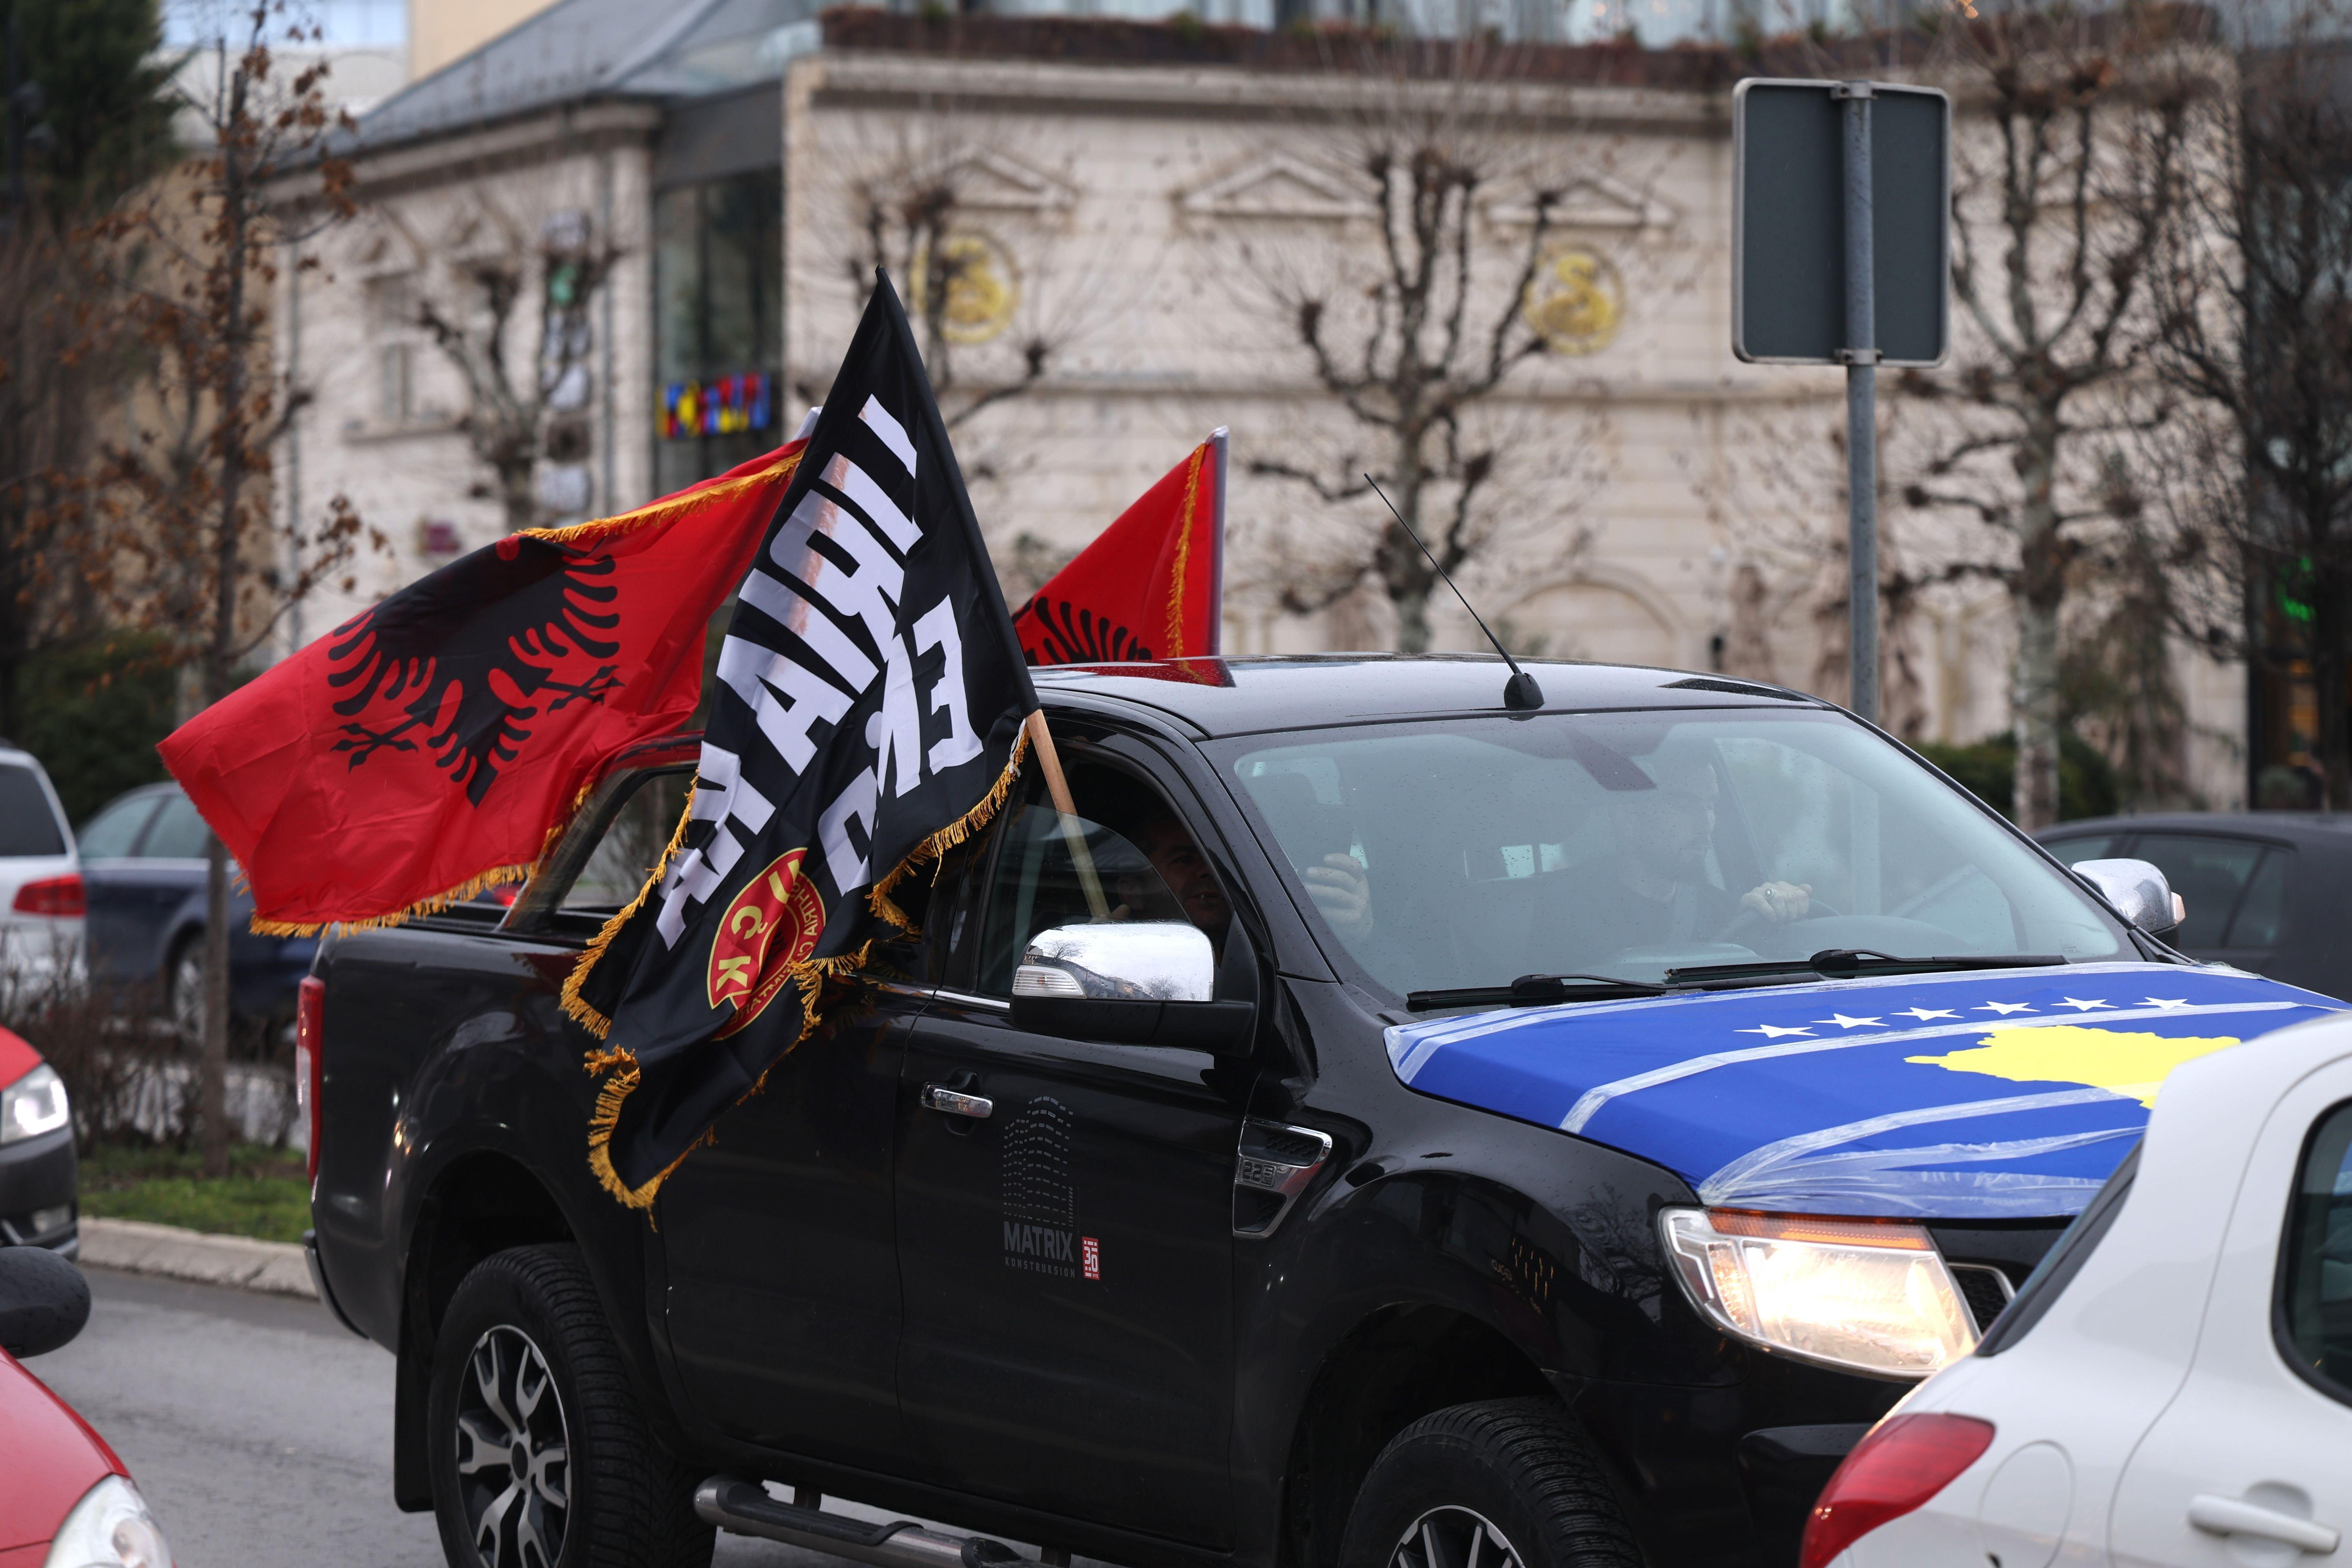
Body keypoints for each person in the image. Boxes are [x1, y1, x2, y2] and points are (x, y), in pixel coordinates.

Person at [1558, 755, 1812, 952]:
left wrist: (1774, 908)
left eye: (1710, 805)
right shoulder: (1558, 911)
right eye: (1683, 804)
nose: (1706, 824)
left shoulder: (1727, 914)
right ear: (1627, 817)